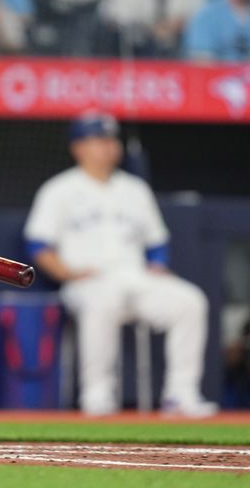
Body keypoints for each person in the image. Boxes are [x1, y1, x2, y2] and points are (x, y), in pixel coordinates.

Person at [23, 113, 216, 417]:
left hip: (135, 276)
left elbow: (157, 243)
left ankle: (181, 394)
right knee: (102, 301)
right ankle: (97, 395)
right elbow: (38, 245)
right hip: (87, 280)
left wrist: (158, 265)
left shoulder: (135, 189)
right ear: (79, 147)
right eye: (99, 140)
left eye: (111, 140)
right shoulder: (59, 190)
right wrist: (67, 273)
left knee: (190, 301)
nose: (108, 147)